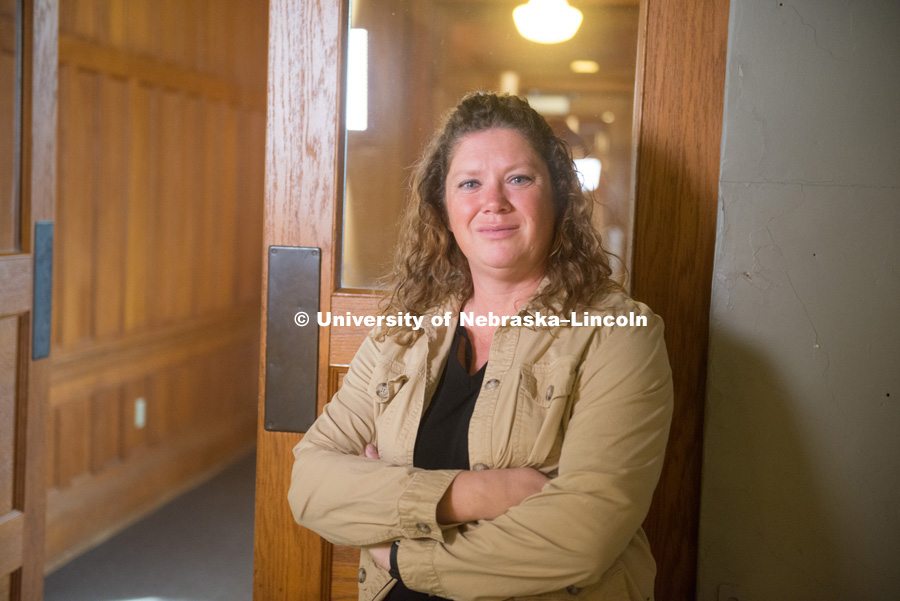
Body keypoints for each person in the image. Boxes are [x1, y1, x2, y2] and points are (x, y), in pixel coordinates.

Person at [287, 92, 673, 601]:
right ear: (444, 211)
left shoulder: (619, 332)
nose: (494, 202)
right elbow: (310, 484)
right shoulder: (403, 334)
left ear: (557, 198)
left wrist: (401, 554)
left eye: (518, 179)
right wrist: (478, 494)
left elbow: (583, 536)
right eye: (470, 183)